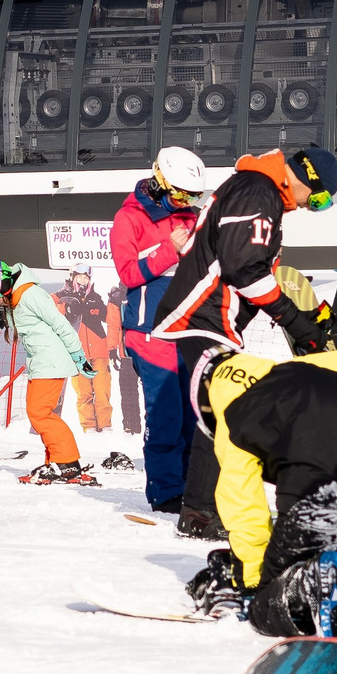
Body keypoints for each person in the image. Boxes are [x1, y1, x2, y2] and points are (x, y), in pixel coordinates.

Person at [146, 147, 337, 538]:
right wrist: (299, 325)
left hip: (213, 319)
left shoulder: (258, 190)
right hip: (198, 315)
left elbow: (253, 271)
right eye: (317, 199)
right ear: (306, 178)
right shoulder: (257, 190)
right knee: (223, 410)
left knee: (222, 411)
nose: (309, 207)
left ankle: (203, 507)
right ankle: (200, 511)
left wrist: (304, 319)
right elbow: (245, 269)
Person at [183, 340, 337, 634]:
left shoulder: (234, 420)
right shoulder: (308, 366)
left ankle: (305, 583)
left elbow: (244, 508)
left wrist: (255, 581)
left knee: (266, 602)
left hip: (322, 503)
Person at [111, 147, 211, 510]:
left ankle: (189, 488)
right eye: (181, 193)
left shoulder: (193, 215)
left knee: (192, 414)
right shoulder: (131, 217)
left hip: (188, 330)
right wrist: (169, 249)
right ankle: (167, 492)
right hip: (150, 331)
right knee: (166, 414)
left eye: (193, 196)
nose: (187, 201)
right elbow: (128, 273)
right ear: (160, 181)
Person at [0, 263, 91, 482]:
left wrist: (78, 355)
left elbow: (61, 324)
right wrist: (4, 312)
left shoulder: (32, 294)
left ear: (1, 283)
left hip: (50, 360)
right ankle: (56, 462)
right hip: (40, 361)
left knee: (40, 412)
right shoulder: (17, 296)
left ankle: (67, 463)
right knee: (39, 413)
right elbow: (26, 327)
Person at [58, 270, 118, 433]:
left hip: (99, 350)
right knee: (83, 392)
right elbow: (52, 313)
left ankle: (105, 424)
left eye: (86, 277)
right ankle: (89, 425)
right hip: (78, 353)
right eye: (80, 277)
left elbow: (110, 318)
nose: (83, 280)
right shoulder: (64, 297)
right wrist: (64, 308)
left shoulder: (95, 298)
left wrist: (114, 302)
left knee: (102, 390)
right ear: (72, 278)